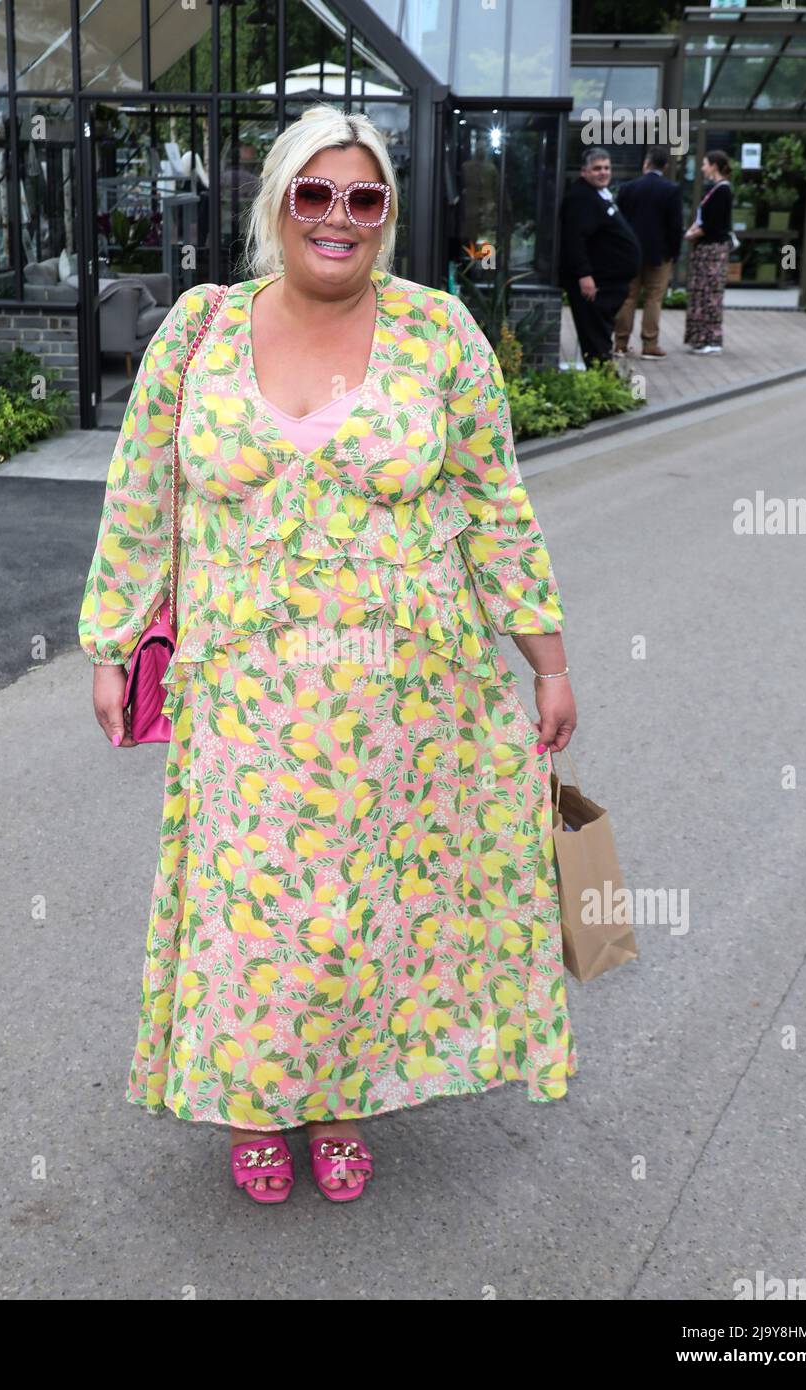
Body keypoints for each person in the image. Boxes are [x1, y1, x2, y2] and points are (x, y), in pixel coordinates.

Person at [78, 103, 578, 1207]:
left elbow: (497, 505)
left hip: (405, 701)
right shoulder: (201, 332)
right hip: (244, 699)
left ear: (387, 214)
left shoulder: (438, 333)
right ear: (278, 205)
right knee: (257, 907)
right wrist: (112, 642)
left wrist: (545, 658)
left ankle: (343, 1099)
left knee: (367, 910)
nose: (338, 217)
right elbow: (136, 500)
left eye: (364, 197)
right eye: (315, 193)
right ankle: (257, 1100)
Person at [559, 146, 641, 366]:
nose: (603, 172)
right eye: (597, 168)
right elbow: (574, 239)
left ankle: (603, 376)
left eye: (606, 167)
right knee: (595, 336)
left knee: (601, 333)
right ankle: (602, 376)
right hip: (594, 284)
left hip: (608, 281)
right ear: (584, 172)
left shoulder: (598, 194)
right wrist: (584, 275)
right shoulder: (580, 198)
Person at [613, 147, 683, 360]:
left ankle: (620, 344)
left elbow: (618, 223)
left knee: (628, 298)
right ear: (666, 166)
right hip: (659, 254)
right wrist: (674, 252)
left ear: (646, 163)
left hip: (630, 254)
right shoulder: (671, 190)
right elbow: (675, 225)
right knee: (654, 299)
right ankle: (650, 345)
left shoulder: (627, 188)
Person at [684, 150, 734, 354]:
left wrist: (693, 234)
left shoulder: (722, 191)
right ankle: (702, 338)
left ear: (714, 165)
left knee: (709, 293)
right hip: (706, 248)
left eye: (704, 164)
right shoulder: (715, 189)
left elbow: (713, 223)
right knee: (703, 291)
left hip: (712, 249)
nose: (702, 168)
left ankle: (709, 339)